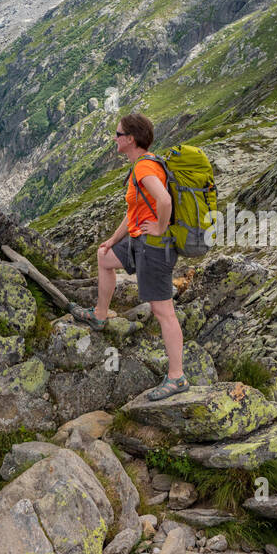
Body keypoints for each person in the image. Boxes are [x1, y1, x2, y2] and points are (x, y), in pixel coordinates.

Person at [79, 111, 188, 401]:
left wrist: (160, 227)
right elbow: (135, 213)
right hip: (138, 242)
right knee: (104, 259)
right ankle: (100, 315)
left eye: (117, 135)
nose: (114, 139)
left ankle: (176, 377)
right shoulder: (140, 165)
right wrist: (113, 240)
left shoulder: (143, 169)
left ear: (130, 139)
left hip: (154, 247)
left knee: (164, 311)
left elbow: (163, 200)